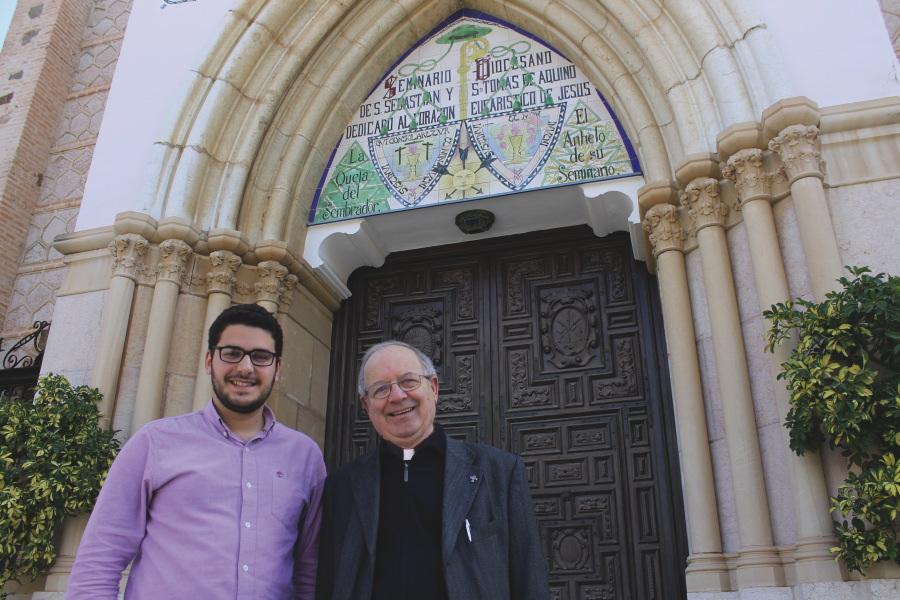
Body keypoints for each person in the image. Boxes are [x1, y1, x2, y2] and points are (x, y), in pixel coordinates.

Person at [67, 303, 326, 599]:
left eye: (261, 357)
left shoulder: (305, 456)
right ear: (208, 361)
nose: (245, 367)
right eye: (231, 353)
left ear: (277, 369)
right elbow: (100, 558)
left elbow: (309, 570)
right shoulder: (155, 442)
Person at [316, 340, 550, 600]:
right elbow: (328, 583)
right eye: (381, 389)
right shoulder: (342, 487)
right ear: (366, 405)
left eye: (408, 381)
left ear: (434, 388)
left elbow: (529, 579)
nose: (397, 396)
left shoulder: (499, 472)